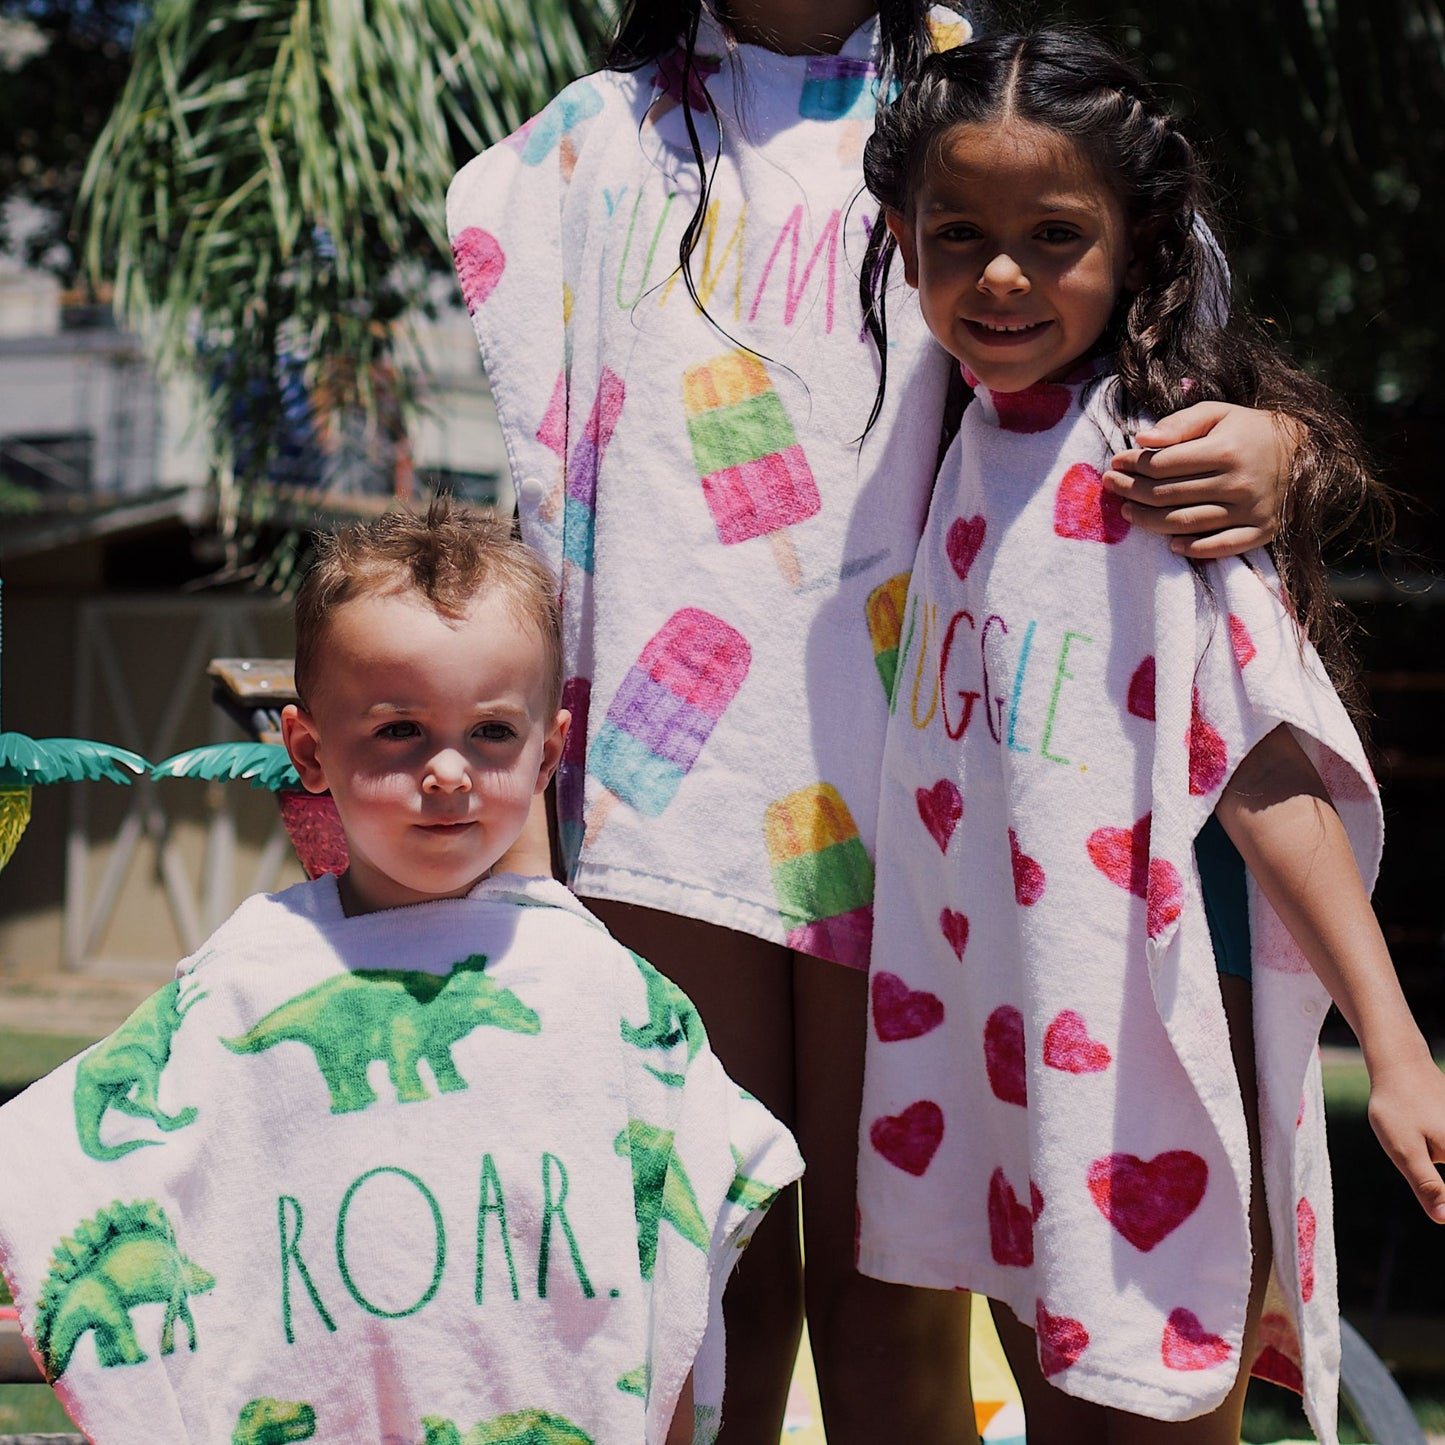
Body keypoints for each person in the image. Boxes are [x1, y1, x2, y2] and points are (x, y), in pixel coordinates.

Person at [446, 5, 1303, 1439]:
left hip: (956, 784)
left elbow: (1183, 365)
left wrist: (1286, 448)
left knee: (890, 1282)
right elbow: (547, 498)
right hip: (674, 790)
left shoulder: (1001, 100)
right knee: (690, 1285)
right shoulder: (582, 153)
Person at [853, 28, 1445, 1445]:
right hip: (1010, 1063)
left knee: (1171, 1405)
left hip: (1164, 1044)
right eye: (960, 235)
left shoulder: (1148, 471)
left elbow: (1260, 763)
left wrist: (1398, 1041)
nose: (1002, 274)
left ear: (1138, 247)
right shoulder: (950, 450)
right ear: (902, 242)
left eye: (1054, 235)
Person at [0, 503, 801, 1445]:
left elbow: (691, 1208)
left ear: (548, 752)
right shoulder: (252, 973)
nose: (449, 771)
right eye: (400, 731)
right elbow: (68, 1153)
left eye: (493, 733)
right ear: (307, 749)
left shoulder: (599, 981)